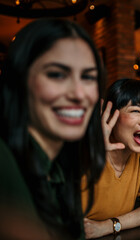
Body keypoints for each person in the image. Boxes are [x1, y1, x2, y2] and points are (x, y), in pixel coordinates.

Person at [0, 18, 107, 239]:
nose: (78, 94)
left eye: (88, 77)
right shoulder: (4, 161)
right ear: (20, 80)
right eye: (57, 74)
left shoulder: (59, 169)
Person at [81, 79, 140, 239]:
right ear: (109, 115)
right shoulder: (82, 150)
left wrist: (108, 226)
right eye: (136, 111)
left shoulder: (139, 155)